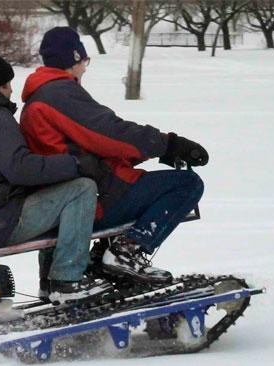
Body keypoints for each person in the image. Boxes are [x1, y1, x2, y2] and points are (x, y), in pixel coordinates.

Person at [20, 27, 208, 284]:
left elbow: (87, 149)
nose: (85, 68)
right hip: (95, 198)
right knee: (187, 185)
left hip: (71, 196)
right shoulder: (60, 94)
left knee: (143, 184)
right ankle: (125, 253)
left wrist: (148, 154)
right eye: (84, 61)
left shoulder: (38, 98)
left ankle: (88, 265)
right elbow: (109, 134)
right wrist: (167, 144)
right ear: (73, 60)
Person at [0, 51, 113, 304]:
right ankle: (67, 280)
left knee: (58, 193)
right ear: (0, 85)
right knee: (81, 189)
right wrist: (76, 164)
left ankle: (50, 284)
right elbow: (21, 169)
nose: (12, 91)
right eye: (8, 84)